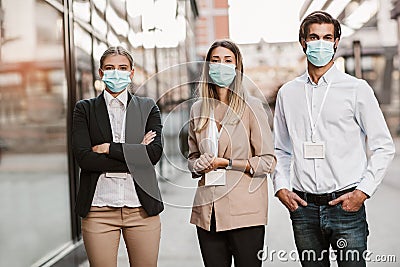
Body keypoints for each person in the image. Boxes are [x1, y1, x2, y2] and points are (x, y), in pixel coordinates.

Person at [273, 11, 395, 267]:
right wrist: (281, 187)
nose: (321, 43)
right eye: (314, 37)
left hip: (346, 206)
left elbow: (383, 146)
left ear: (337, 42)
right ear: (303, 42)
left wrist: (362, 192)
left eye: (327, 37)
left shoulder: (357, 89)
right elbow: (281, 149)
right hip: (303, 207)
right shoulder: (288, 93)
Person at [72, 46, 164, 267]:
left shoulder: (147, 107)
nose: (116, 72)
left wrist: (107, 148)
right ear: (101, 73)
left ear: (132, 72)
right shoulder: (85, 109)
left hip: (142, 210)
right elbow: (85, 159)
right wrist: (134, 153)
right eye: (110, 68)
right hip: (98, 211)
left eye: (123, 68)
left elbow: (152, 155)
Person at [187, 39, 276, 267]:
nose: (221, 65)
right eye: (215, 61)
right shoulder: (198, 108)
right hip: (208, 213)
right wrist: (197, 165)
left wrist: (227, 163)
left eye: (228, 60)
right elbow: (192, 156)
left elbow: (268, 161)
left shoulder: (251, 107)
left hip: (245, 212)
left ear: (238, 68)